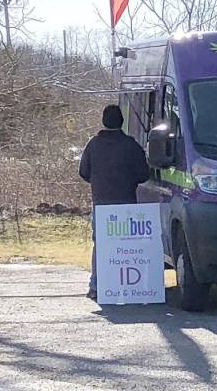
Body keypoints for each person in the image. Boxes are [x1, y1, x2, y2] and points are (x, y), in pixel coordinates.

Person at [79, 104, 150, 300]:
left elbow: (83, 172)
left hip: (101, 203)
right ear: (122, 121)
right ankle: (130, 286)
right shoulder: (131, 145)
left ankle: (96, 286)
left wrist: (99, 183)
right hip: (126, 203)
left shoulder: (93, 145)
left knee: (101, 244)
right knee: (127, 247)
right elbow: (144, 174)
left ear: (103, 121)